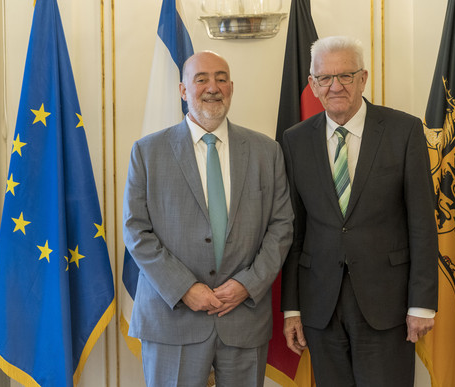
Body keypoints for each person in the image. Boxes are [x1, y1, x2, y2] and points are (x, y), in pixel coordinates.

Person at [123, 51, 293, 387]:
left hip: (243, 317)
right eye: (201, 79)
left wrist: (249, 283)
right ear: (183, 90)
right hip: (172, 318)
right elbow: (136, 230)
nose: (212, 87)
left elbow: (282, 225)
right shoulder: (147, 152)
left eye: (220, 78)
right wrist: (184, 288)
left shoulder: (266, 152)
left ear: (231, 87)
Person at [280, 36, 438, 387]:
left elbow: (422, 223)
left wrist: (422, 304)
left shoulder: (404, 130)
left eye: (346, 76)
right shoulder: (294, 140)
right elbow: (294, 231)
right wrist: (292, 308)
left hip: (388, 304)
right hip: (320, 305)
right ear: (313, 85)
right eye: (325, 78)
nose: (335, 86)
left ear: (363, 78)